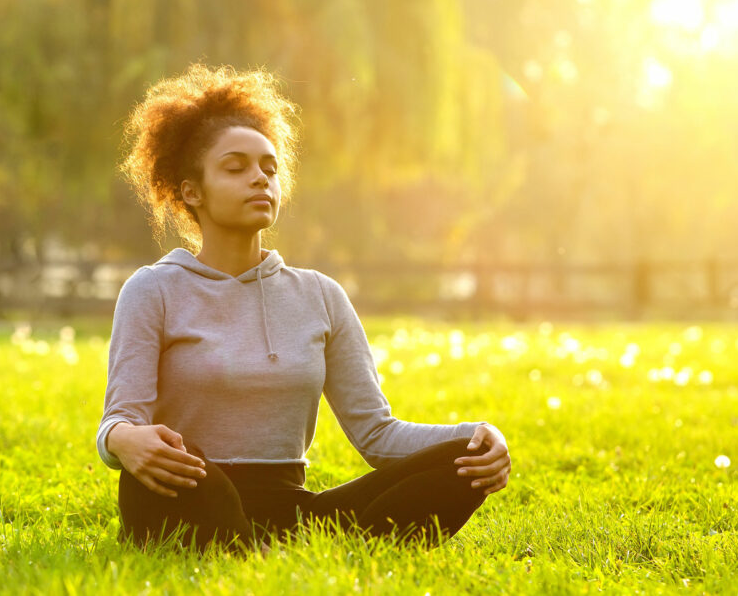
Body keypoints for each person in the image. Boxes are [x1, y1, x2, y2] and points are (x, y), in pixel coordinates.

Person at [96, 63, 511, 553]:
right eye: (236, 168)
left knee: (465, 461)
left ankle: (256, 548)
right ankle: (253, 546)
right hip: (190, 490)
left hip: (292, 510)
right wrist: (124, 441)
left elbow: (377, 433)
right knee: (180, 480)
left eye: (269, 168)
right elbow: (119, 419)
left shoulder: (320, 295)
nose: (259, 179)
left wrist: (479, 436)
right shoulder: (153, 290)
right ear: (192, 191)